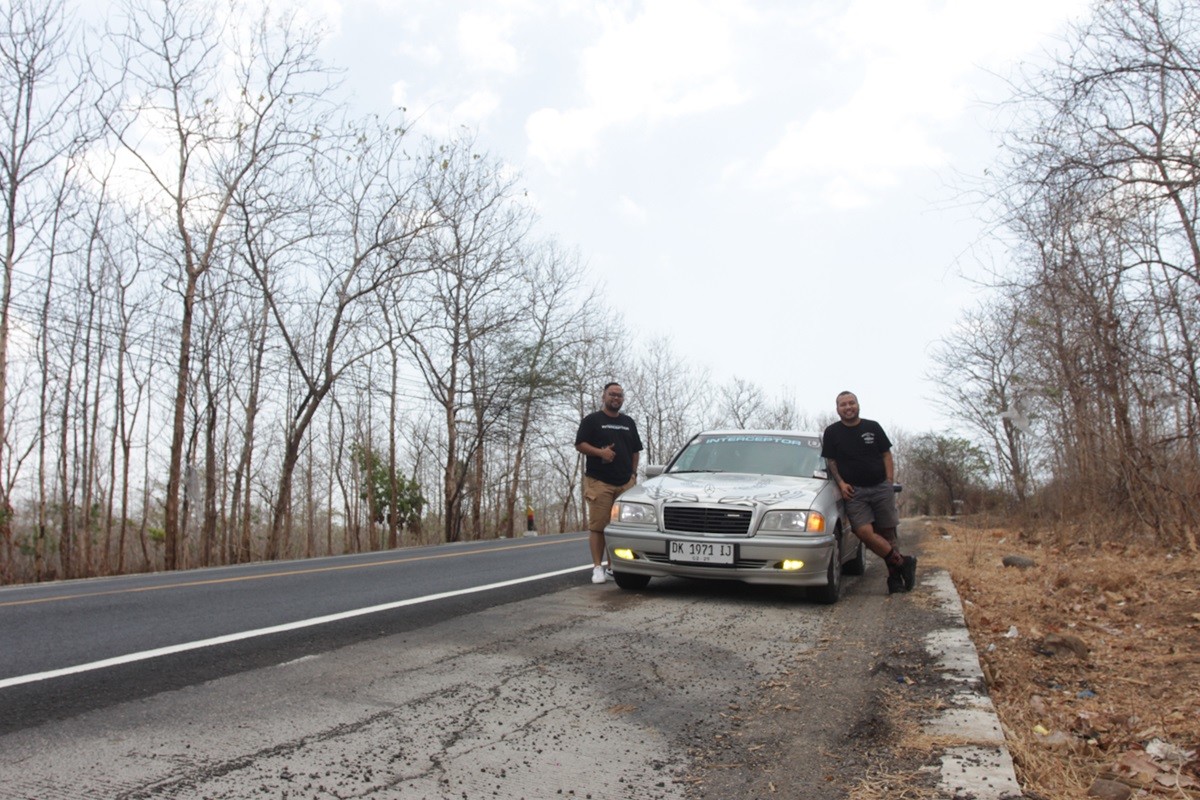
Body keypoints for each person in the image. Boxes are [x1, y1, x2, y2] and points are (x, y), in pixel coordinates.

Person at [821, 391, 917, 594]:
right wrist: (841, 483)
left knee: (888, 533)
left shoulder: (872, 427)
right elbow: (831, 461)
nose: (848, 407)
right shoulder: (832, 432)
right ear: (837, 409)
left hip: (880, 487)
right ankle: (903, 562)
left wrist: (889, 482)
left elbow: (886, 454)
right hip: (854, 492)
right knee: (863, 532)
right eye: (843, 405)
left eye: (851, 403)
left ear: (858, 405)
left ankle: (895, 580)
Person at [575, 382, 643, 584]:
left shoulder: (628, 422)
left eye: (620, 395)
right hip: (600, 482)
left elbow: (635, 450)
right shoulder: (592, 420)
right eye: (612, 394)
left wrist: (633, 475)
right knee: (598, 526)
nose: (616, 398)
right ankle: (598, 568)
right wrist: (600, 452)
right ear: (603, 396)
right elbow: (580, 444)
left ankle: (615, 566)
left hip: (625, 483)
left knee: (623, 527)